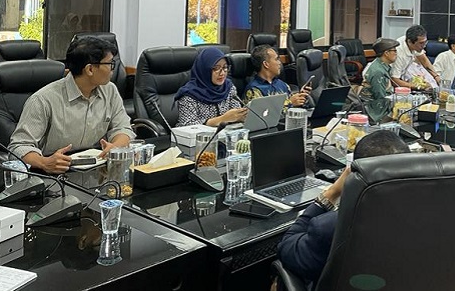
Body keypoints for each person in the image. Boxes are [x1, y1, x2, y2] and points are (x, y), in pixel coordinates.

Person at [277, 130, 410, 286]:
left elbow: (287, 248)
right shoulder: (438, 215)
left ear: (354, 173)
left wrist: (331, 193)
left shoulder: (330, 226)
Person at [9, 37, 134, 174]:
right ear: (90, 69)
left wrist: (115, 147)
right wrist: (44, 163)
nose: (112, 69)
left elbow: (122, 127)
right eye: (110, 64)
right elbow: (19, 147)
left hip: (97, 172)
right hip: (54, 174)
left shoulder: (109, 90)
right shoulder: (43, 100)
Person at [175, 47, 248, 127]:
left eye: (225, 67)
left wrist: (242, 115)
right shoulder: (189, 94)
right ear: (205, 70)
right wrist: (222, 119)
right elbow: (187, 126)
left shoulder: (228, 87)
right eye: (216, 68)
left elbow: (235, 115)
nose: (222, 73)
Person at [244, 45, 311, 108]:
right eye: (277, 59)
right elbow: (261, 115)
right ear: (266, 64)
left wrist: (301, 97)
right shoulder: (254, 90)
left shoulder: (283, 85)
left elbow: (293, 106)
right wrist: (289, 103)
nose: (280, 63)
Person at [390, 25, 441, 90]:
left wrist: (436, 76)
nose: (424, 46)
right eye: (421, 43)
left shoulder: (413, 42)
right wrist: (419, 86)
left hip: (403, 78)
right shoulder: (399, 53)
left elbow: (423, 59)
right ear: (410, 42)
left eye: (425, 42)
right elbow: (394, 80)